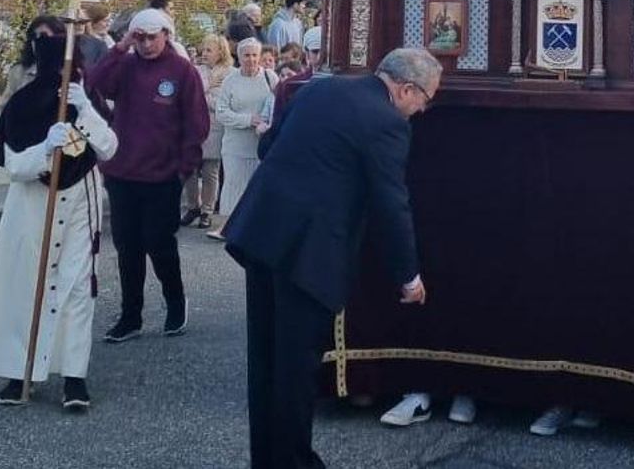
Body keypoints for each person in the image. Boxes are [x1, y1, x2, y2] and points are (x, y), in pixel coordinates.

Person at [224, 48, 440, 469]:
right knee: (296, 367)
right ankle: (292, 461)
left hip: (263, 231)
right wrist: (408, 276)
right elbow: (392, 204)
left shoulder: (318, 91)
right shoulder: (387, 122)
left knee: (266, 359)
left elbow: (269, 145)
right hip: (309, 251)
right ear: (406, 88)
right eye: (425, 99)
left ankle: (267, 459)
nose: (422, 110)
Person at [0, 17, 117, 410]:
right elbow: (14, 165)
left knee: (77, 288)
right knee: (26, 285)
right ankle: (19, 370)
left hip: (81, 202)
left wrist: (85, 113)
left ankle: (74, 377)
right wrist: (44, 149)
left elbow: (110, 147)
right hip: (33, 206)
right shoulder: (24, 101)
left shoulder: (87, 96)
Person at [87, 9, 210, 343]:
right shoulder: (126, 65)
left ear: (166, 35)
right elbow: (93, 84)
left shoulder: (182, 71)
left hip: (163, 176)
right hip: (123, 172)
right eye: (138, 37)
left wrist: (183, 170)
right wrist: (119, 47)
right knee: (128, 247)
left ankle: (174, 302)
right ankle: (131, 316)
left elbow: (196, 124)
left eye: (151, 36)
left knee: (160, 243)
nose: (145, 43)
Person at [209, 38, 277, 241]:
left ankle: (256, 229)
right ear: (238, 57)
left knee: (258, 186)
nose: (252, 59)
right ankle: (226, 228)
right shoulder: (231, 80)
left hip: (261, 144)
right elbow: (221, 113)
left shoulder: (270, 77)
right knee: (233, 184)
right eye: (247, 55)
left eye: (255, 55)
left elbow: (279, 104)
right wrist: (248, 120)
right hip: (235, 144)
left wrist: (267, 124)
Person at [182, 35, 233, 230]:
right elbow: (189, 96)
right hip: (193, 124)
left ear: (221, 52)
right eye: (203, 50)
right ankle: (192, 206)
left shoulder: (229, 73)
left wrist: (204, 93)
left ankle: (207, 211)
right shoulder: (195, 70)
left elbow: (219, 102)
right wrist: (207, 90)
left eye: (209, 50)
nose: (204, 54)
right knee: (189, 169)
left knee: (211, 169)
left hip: (215, 126)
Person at [77, 3, 115, 70]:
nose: (108, 24)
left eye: (109, 21)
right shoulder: (84, 42)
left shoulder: (107, 39)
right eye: (105, 21)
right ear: (93, 22)